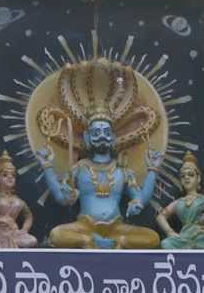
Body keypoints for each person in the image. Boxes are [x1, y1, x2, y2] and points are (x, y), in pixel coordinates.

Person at [35, 107, 163, 249]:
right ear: (87, 137)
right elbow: (61, 198)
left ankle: (118, 242)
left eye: (106, 132)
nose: (102, 136)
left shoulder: (122, 170)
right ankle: (87, 241)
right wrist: (47, 165)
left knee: (153, 238)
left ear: (113, 137)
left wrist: (152, 170)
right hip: (85, 227)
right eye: (96, 132)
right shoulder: (79, 168)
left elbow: (140, 199)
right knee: (56, 234)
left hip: (116, 228)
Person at [156, 152, 204, 249]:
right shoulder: (179, 202)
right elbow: (160, 217)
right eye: (183, 176)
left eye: (190, 175)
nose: (186, 178)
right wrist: (169, 232)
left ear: (198, 178)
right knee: (166, 243)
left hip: (200, 237)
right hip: (183, 239)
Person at [0, 151, 38, 248]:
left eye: (13, 175)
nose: (10, 177)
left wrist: (24, 230)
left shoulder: (18, 201)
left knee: (33, 240)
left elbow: (28, 216)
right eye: (5, 175)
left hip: (14, 233)